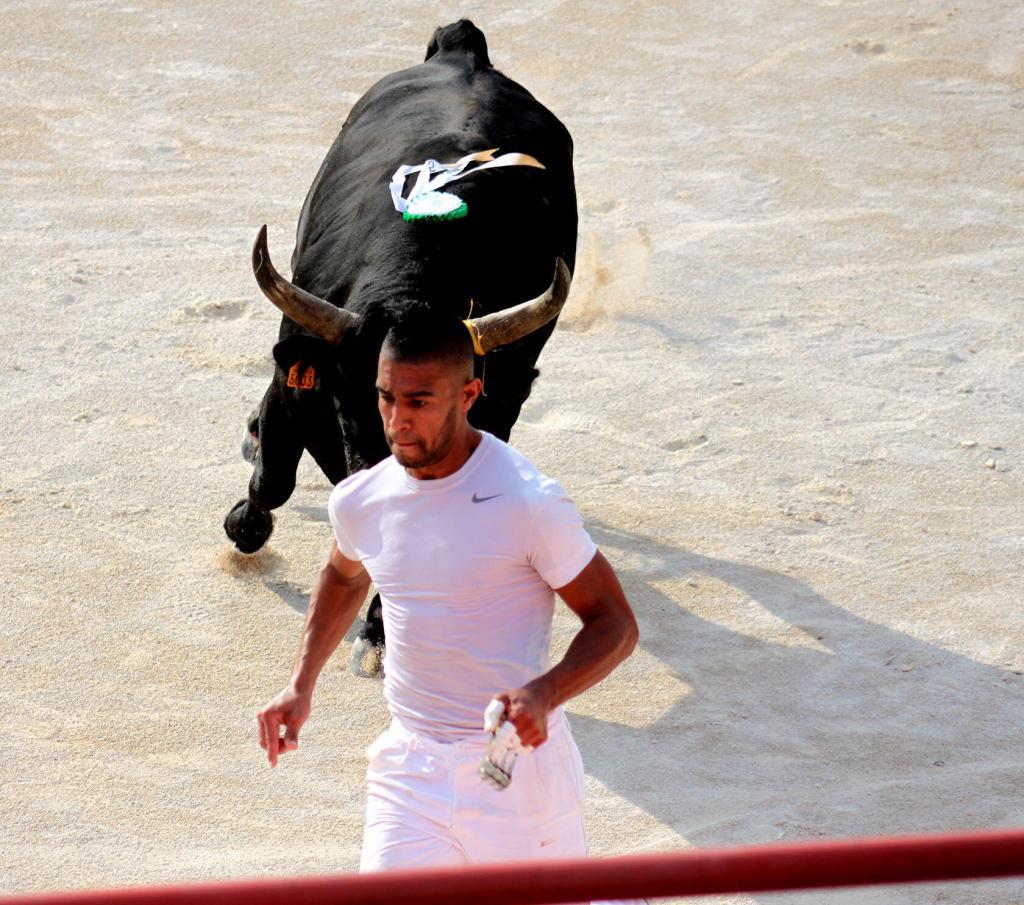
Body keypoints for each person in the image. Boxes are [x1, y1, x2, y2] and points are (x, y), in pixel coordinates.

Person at [257, 307, 639, 875]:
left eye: (419, 402)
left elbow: (616, 623)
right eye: (387, 397)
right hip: (409, 772)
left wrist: (545, 692)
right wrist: (300, 683)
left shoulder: (527, 502)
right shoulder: (362, 499)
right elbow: (344, 574)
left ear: (468, 395)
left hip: (520, 778)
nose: (396, 422)